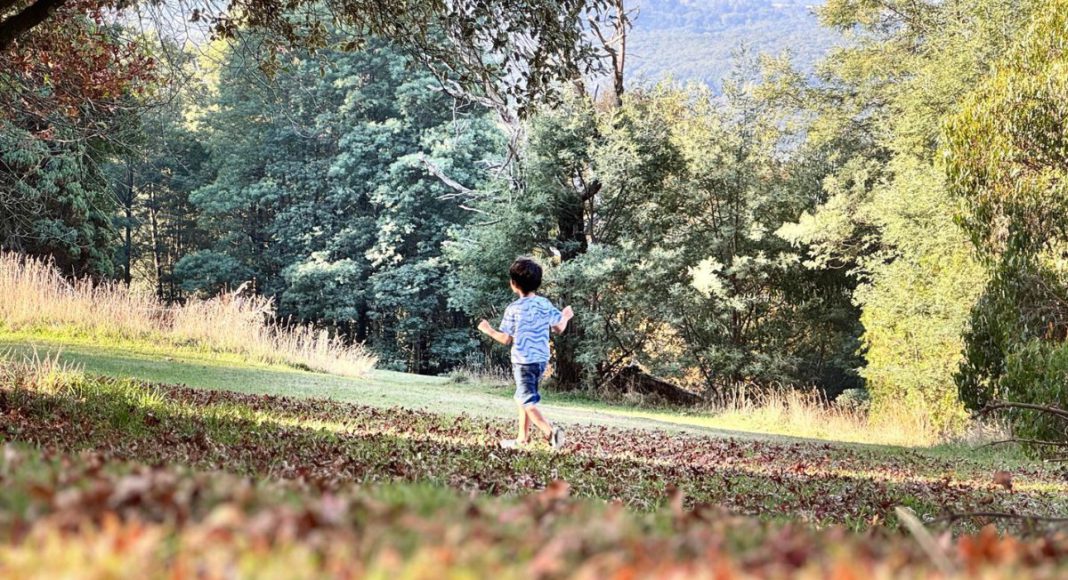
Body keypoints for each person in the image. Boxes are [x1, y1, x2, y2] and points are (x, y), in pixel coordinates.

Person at [478, 257, 573, 450]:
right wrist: (565, 316)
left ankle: (550, 434)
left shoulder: (513, 309)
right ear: (537, 283)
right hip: (541, 360)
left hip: (523, 361)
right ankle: (522, 439)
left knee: (526, 400)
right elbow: (558, 328)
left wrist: (487, 329)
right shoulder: (544, 304)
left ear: (514, 284)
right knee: (524, 396)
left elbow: (506, 339)